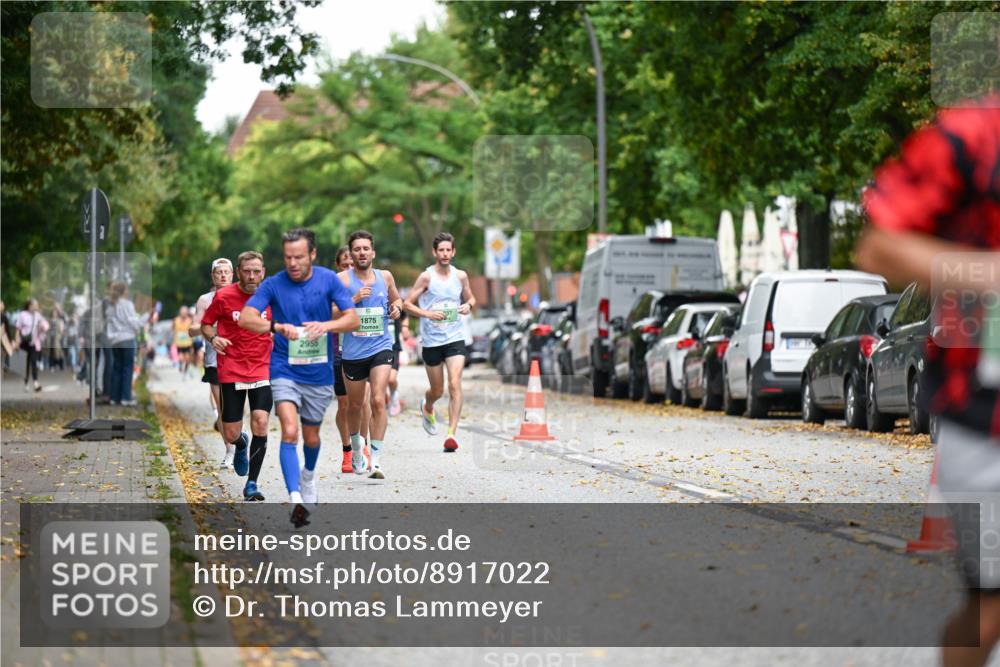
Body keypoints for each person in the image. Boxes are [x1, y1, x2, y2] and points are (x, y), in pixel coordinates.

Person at [855, 94, 999, 667]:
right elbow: (879, 244)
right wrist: (986, 271)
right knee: (989, 610)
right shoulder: (971, 138)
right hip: (985, 424)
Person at [240, 228, 358, 528]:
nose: (292, 263)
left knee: (311, 437)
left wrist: (327, 326)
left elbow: (352, 318)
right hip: (284, 368)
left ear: (312, 255)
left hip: (318, 371)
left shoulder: (328, 280)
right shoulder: (274, 284)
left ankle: (307, 477)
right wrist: (276, 327)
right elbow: (247, 317)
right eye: (288, 257)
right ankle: (295, 500)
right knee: (289, 430)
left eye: (299, 257)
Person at [202, 251, 272, 501]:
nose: (252, 276)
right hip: (231, 367)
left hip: (262, 367)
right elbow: (206, 323)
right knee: (230, 432)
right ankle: (240, 443)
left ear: (262, 272)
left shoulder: (271, 296)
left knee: (261, 422)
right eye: (247, 271)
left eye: (256, 271)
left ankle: (252, 484)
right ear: (239, 272)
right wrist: (213, 337)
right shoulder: (224, 296)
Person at [338, 230, 404, 480]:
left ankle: (375, 459)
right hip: (353, 351)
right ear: (351, 253)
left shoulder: (385, 276)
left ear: (373, 252)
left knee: (378, 400)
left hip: (381, 346)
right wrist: (353, 299)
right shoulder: (342, 279)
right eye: (357, 249)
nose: (362, 253)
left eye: (366, 248)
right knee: (355, 405)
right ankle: (357, 449)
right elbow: (329, 311)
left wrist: (396, 308)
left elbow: (398, 300)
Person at [403, 232, 476, 452]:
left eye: (448, 250)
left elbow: (471, 297)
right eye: (441, 250)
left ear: (453, 252)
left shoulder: (460, 276)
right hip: (432, 341)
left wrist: (468, 306)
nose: (445, 254)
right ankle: (428, 406)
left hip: (455, 337)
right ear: (435, 252)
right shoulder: (426, 277)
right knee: (437, 390)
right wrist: (427, 314)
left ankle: (451, 434)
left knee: (455, 383)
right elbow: (407, 303)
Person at [191, 258, 235, 467]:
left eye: (227, 272)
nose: (223, 275)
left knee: (236, 408)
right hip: (214, 360)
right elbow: (193, 328)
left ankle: (237, 436)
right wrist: (205, 326)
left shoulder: (241, 296)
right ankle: (229, 450)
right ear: (213, 276)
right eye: (219, 272)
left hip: (240, 360)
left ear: (233, 275)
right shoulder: (205, 300)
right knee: (223, 407)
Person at [333, 246, 362, 474]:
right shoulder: (334, 284)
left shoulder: (370, 281)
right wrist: (353, 299)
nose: (350, 268)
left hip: (365, 349)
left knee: (365, 401)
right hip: (338, 350)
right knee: (344, 404)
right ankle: (347, 451)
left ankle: (363, 447)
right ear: (339, 267)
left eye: (353, 264)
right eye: (345, 264)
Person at [105, 282, 148, 406]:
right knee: (127, 367)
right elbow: (135, 323)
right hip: (127, 339)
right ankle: (126, 397)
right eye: (127, 290)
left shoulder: (111, 306)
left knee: (117, 368)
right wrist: (146, 315)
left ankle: (114, 397)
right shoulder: (127, 304)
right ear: (124, 291)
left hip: (114, 341)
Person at [14, 299, 48, 392]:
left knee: (34, 362)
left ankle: (36, 383)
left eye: (37, 305)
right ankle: (26, 383)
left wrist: (43, 328)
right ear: (29, 306)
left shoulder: (38, 316)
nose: (36, 307)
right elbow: (18, 329)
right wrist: (17, 341)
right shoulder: (22, 315)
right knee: (25, 364)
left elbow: (45, 325)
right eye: (35, 305)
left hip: (34, 343)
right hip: (24, 343)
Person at [387, 316, 405, 416]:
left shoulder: (395, 300)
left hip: (393, 346)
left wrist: (405, 327)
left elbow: (405, 315)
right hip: (376, 346)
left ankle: (394, 397)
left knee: (391, 379)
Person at [173, 305, 195, 377]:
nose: (183, 314)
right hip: (179, 343)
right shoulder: (176, 320)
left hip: (188, 343)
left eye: (185, 312)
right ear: (180, 312)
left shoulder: (190, 320)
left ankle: (185, 371)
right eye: (182, 312)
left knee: (188, 359)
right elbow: (172, 328)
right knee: (181, 357)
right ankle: (180, 365)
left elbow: (193, 329)